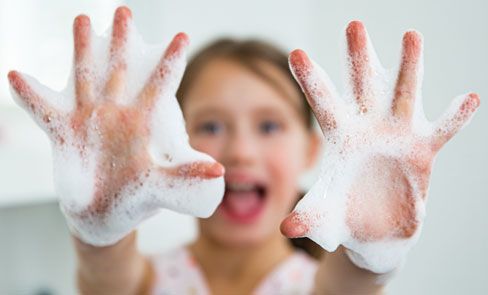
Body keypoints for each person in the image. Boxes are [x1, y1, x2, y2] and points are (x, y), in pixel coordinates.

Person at [8, 6, 479, 295]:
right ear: (178, 143)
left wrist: (372, 252)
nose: (240, 149)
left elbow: (351, 287)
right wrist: (98, 229)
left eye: (269, 125)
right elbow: (104, 280)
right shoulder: (148, 280)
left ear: (313, 151)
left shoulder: (314, 286)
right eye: (211, 125)